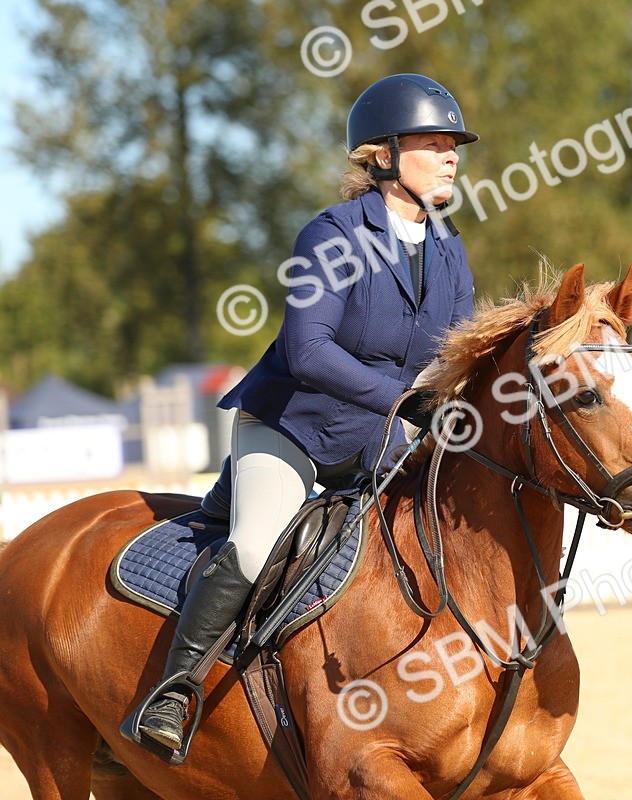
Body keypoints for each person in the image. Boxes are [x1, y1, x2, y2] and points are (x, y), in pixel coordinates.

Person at [122, 73, 479, 756]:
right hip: (290, 429)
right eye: (433, 143)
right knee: (256, 546)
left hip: (375, 441)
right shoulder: (332, 235)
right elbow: (307, 351)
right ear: (383, 155)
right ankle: (174, 692)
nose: (451, 154)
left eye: (453, 144)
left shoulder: (449, 246)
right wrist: (408, 404)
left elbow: (454, 359)